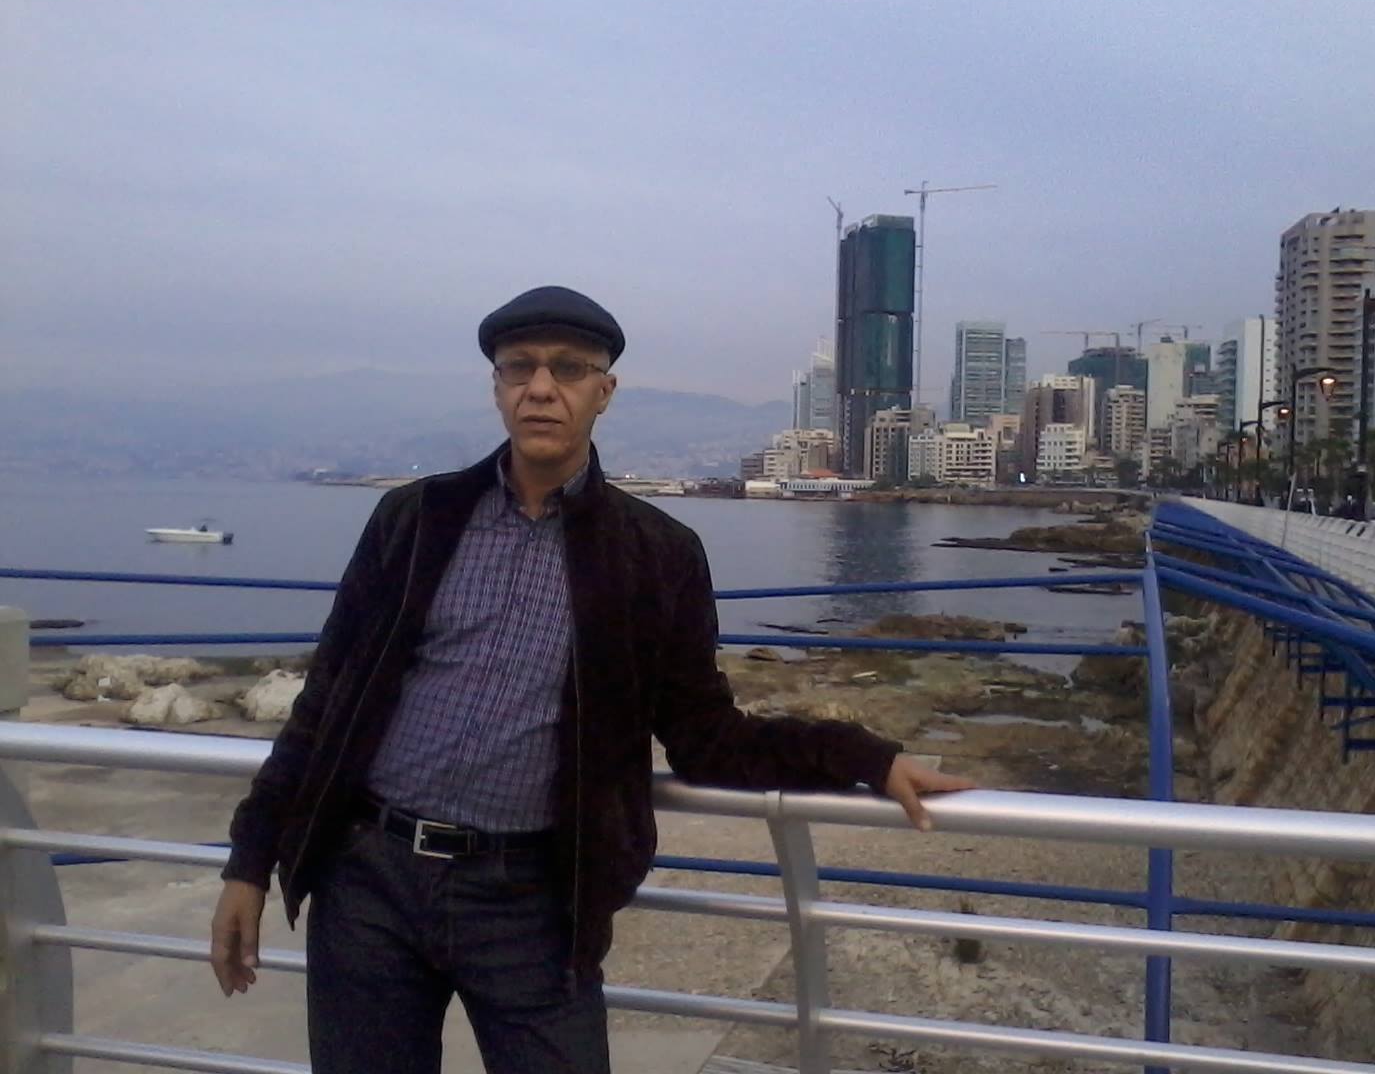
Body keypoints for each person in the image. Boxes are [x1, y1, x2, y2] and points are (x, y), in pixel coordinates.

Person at [209, 285, 973, 1073]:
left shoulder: (656, 554)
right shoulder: (415, 519)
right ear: (497, 387)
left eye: (568, 369)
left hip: (532, 900)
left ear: (603, 391)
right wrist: (249, 864)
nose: (541, 387)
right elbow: (327, 702)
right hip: (369, 882)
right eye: (520, 367)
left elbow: (706, 736)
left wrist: (863, 756)